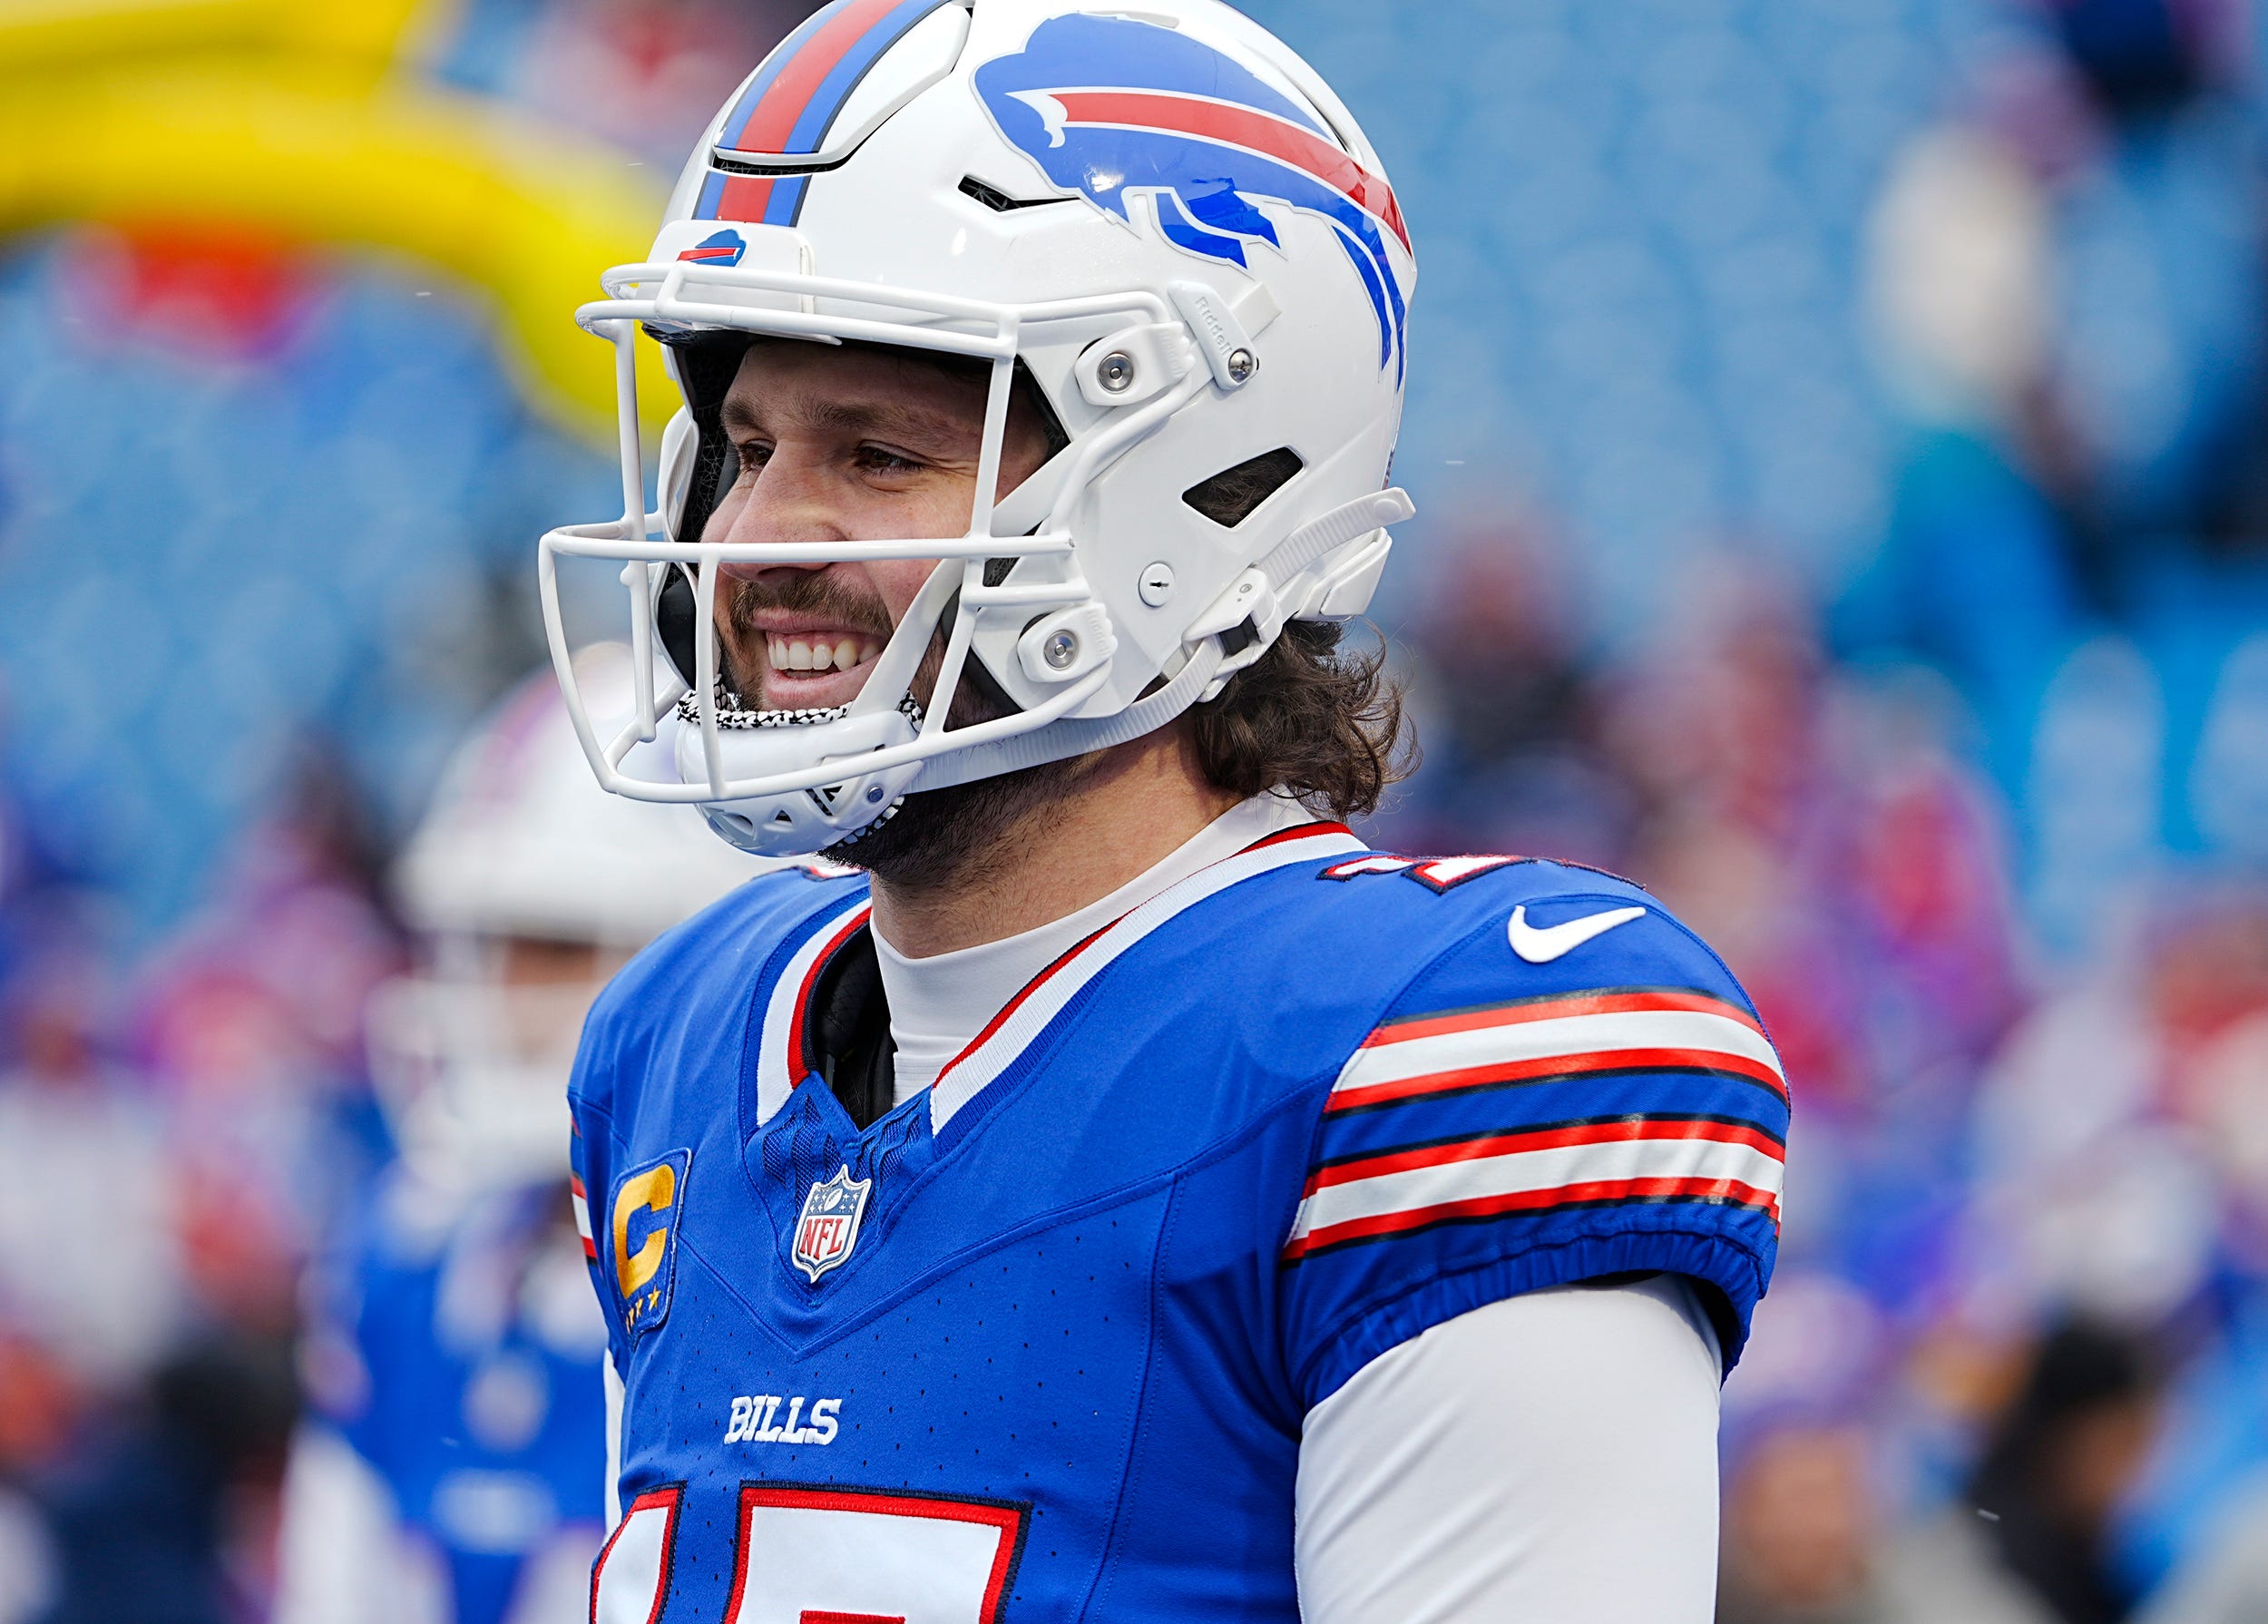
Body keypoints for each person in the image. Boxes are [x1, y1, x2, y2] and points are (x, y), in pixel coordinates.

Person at [541, 3, 1786, 1618]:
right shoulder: (680, 1042)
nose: (756, 535)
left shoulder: (1427, 1055)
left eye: (882, 454)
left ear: (1209, 494)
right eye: (748, 443)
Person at [273, 653, 762, 1624]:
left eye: (548, 942)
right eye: (482, 944)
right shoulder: (411, 1249)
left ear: (707, 945)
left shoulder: (767, 1287)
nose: (494, 998)